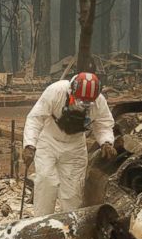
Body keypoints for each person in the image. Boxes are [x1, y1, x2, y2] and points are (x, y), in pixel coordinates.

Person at [22, 71, 115, 217]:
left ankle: (71, 226)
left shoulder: (99, 102)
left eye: (87, 102)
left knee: (73, 192)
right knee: (47, 181)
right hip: (49, 141)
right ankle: (42, 220)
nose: (83, 105)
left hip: (75, 146)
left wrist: (106, 142)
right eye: (80, 100)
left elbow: (103, 124)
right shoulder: (56, 91)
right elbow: (36, 118)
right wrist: (29, 145)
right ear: (71, 91)